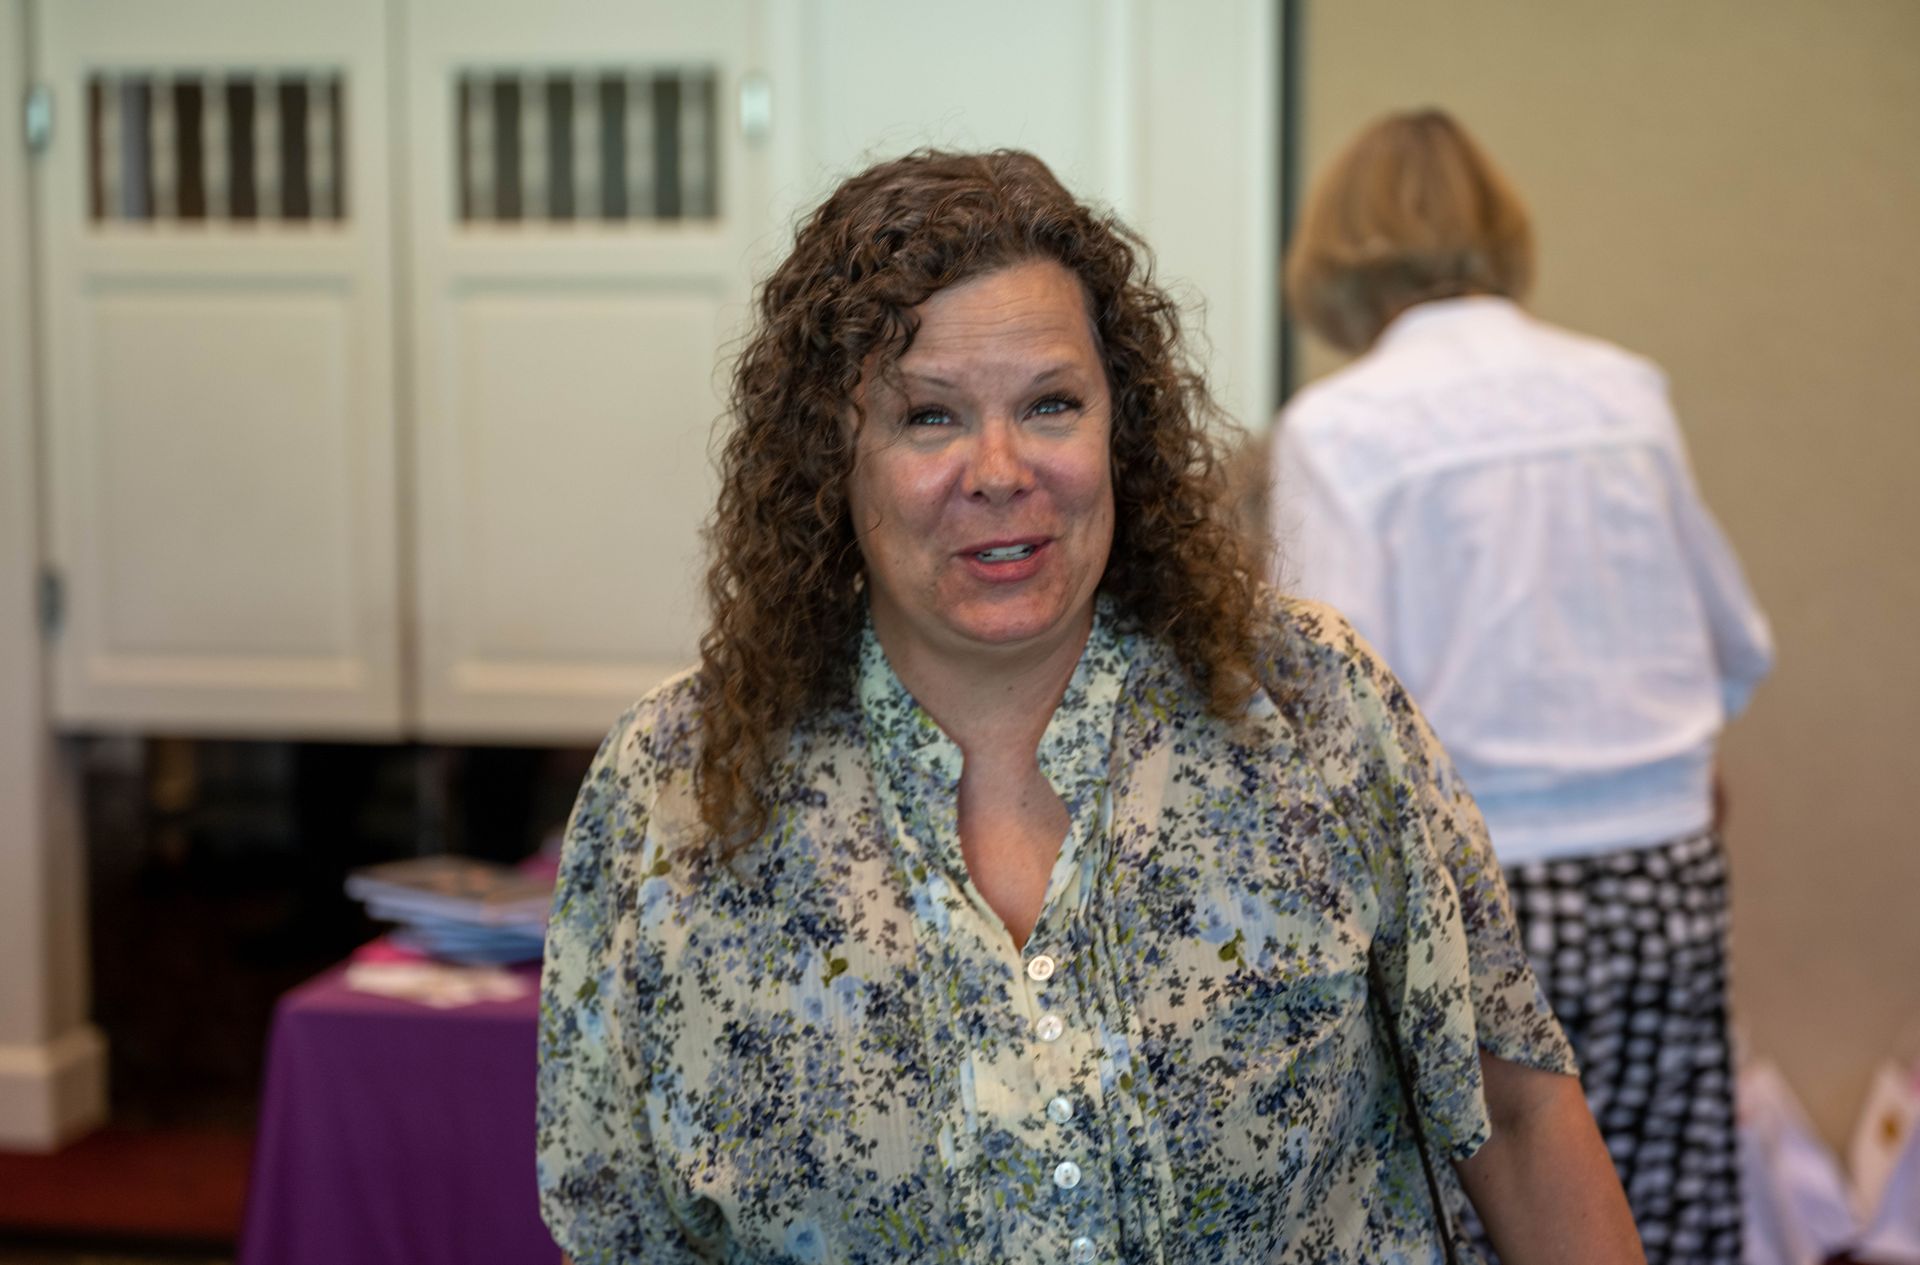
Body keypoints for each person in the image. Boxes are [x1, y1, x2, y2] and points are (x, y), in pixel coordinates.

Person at [538, 148, 1642, 1264]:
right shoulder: (672, 787)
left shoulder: (1314, 705)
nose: (1001, 468)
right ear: (835, 455)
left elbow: (1517, 1113)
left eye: (1051, 404)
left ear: (1124, 425)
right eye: (930, 417)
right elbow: (618, 1230)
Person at [1270, 110, 1773, 1265]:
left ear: (1334, 258)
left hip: (1478, 895)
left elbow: (1326, 716)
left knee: (1480, 1218)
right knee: (1654, 1207)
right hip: (1667, 870)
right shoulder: (1624, 392)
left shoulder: (1342, 427)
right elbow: (1735, 643)